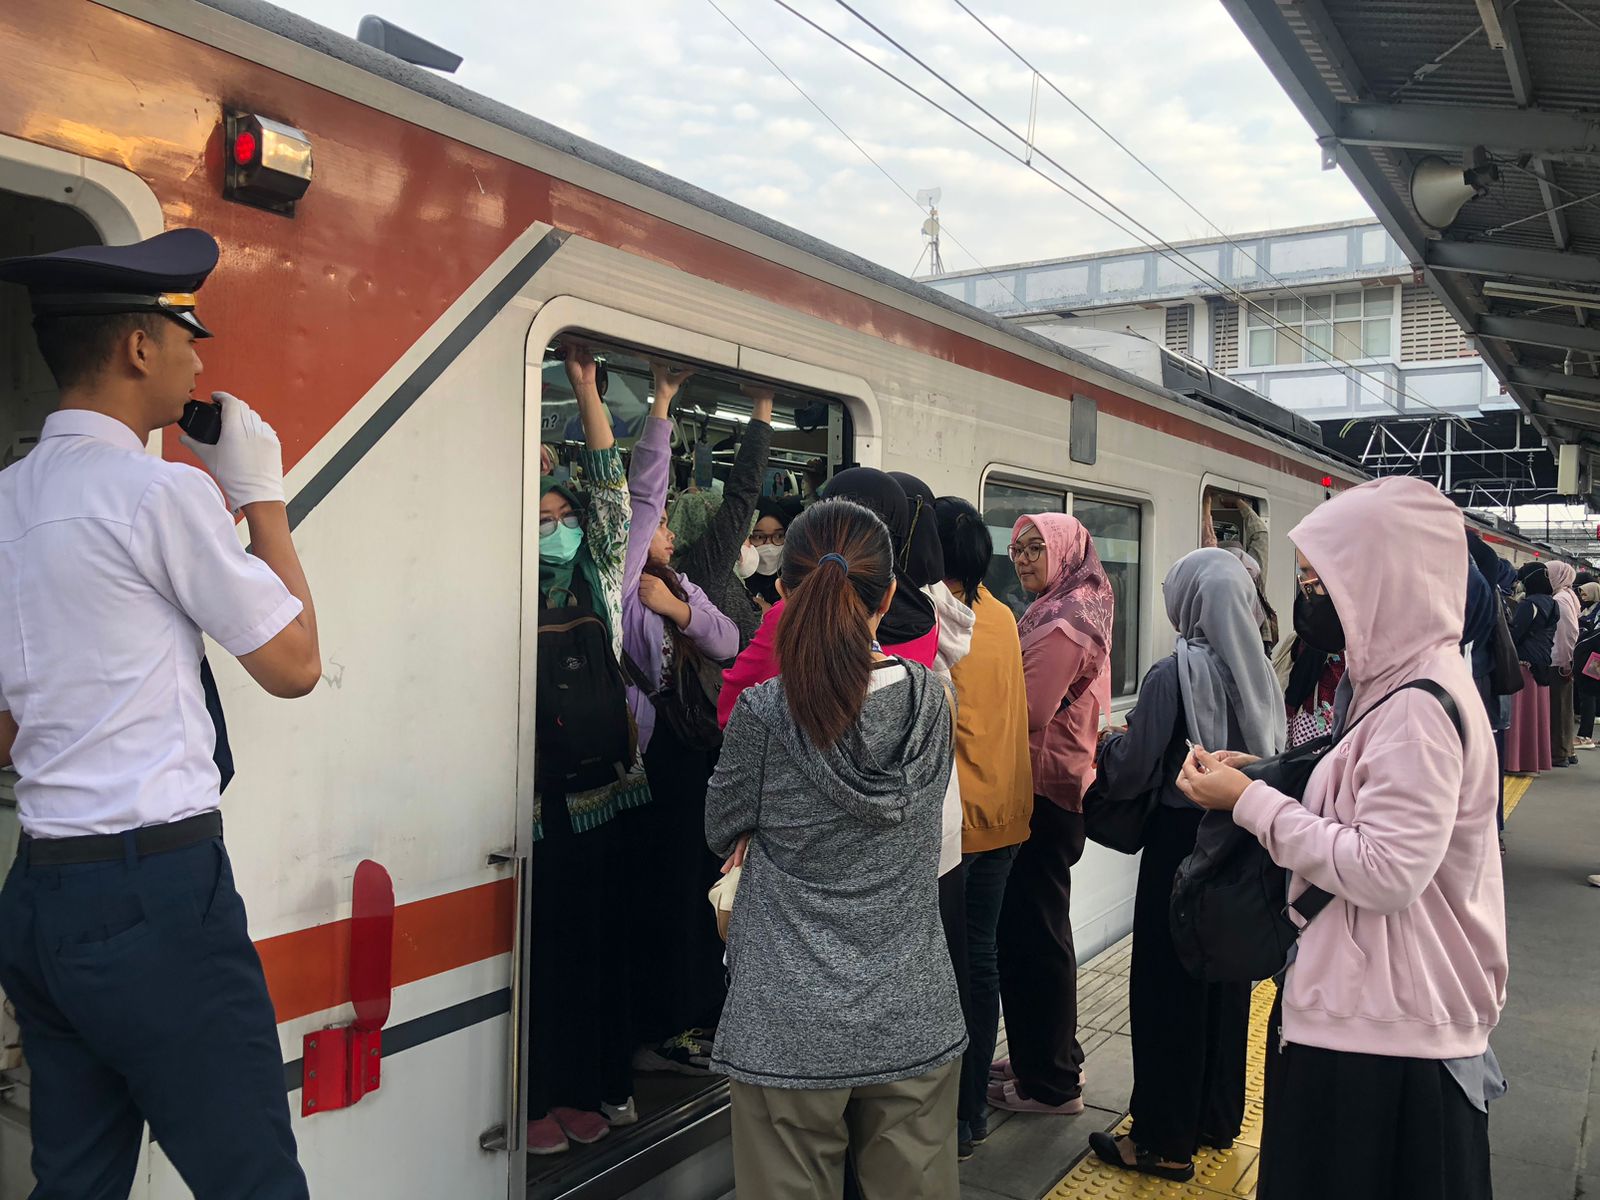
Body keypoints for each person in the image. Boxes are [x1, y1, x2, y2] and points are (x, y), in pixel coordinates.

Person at [0, 229, 319, 1197]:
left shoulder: (8, 499)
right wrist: (261, 498)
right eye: (190, 336)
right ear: (140, 348)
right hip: (158, 896)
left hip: (41, 894)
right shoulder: (159, 493)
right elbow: (296, 664)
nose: (200, 361)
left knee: (77, 1186)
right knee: (255, 1183)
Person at [1177, 476, 1506, 1200]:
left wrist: (1251, 803)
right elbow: (1362, 789)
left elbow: (1388, 870)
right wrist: (1267, 770)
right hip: (1372, 1014)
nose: (1316, 600)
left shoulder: (1419, 707)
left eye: (1327, 583)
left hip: (1387, 1042)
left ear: (1384, 579)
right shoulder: (1400, 683)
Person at [706, 499, 967, 1198]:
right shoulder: (932, 703)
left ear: (785, 593)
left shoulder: (764, 712)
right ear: (887, 597)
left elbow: (719, 824)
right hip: (911, 1009)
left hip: (784, 1019)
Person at [1088, 549, 1283, 1181]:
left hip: (1180, 843)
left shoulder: (1173, 671)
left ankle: (1162, 1143)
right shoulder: (1262, 669)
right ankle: (1214, 1118)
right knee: (1224, 984)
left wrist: (1108, 740)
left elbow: (1135, 767)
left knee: (1166, 988)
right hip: (1242, 836)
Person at [528, 342, 650, 1154]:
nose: (563, 529)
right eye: (543, 520)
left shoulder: (597, 577)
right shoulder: (494, 572)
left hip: (601, 798)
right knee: (546, 953)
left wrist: (583, 390)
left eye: (564, 517)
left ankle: (596, 1085)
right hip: (535, 808)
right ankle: (546, 1093)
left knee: (596, 945)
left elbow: (613, 495)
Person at [619, 365, 740, 1076]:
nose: (661, 529)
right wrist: (659, 408)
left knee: (690, 891)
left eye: (666, 524)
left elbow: (726, 639)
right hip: (652, 761)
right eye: (658, 524)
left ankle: (692, 1014)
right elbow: (640, 499)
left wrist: (682, 613)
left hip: (692, 759)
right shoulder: (629, 589)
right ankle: (664, 1020)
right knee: (660, 895)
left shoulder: (676, 587)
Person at [988, 513, 1113, 1116]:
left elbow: (1031, 709)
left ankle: (1052, 1084)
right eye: (1016, 548)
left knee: (1034, 936)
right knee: (1037, 931)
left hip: (1045, 792)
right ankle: (1046, 1053)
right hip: (1048, 787)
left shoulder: (1063, 622)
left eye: (1037, 547)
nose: (1024, 558)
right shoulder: (1054, 608)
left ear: (1065, 551)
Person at [931, 497, 1033, 1160]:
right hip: (1007, 815)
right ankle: (971, 1118)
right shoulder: (1003, 615)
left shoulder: (943, 619)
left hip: (959, 826)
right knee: (983, 963)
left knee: (950, 971)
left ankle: (951, 1114)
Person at [670, 386, 777, 646]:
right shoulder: (706, 568)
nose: (748, 542)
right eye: (746, 535)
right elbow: (743, 493)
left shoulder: (700, 575)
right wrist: (763, 405)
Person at [1506, 563, 1558, 775]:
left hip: (1524, 665)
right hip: (1542, 665)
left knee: (1519, 717)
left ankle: (1516, 762)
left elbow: (1515, 634)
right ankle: (1534, 761)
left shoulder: (1529, 605)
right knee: (1536, 718)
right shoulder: (1553, 604)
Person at [1549, 561, 1581, 767]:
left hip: (1559, 660)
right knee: (1564, 707)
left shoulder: (1560, 599)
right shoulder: (1569, 595)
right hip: (1564, 659)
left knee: (1558, 708)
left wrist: (1565, 661)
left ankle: (1560, 752)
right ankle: (1567, 749)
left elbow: (1567, 632)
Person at [743, 496, 801, 611]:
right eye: (759, 537)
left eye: (779, 536)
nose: (769, 546)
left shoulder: (797, 583)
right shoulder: (732, 587)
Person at [1573, 582, 1600, 750]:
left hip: (1595, 658)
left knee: (1588, 694)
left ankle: (1585, 736)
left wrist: (1579, 645)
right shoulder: (1589, 610)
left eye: (1585, 594)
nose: (1583, 598)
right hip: (1591, 656)